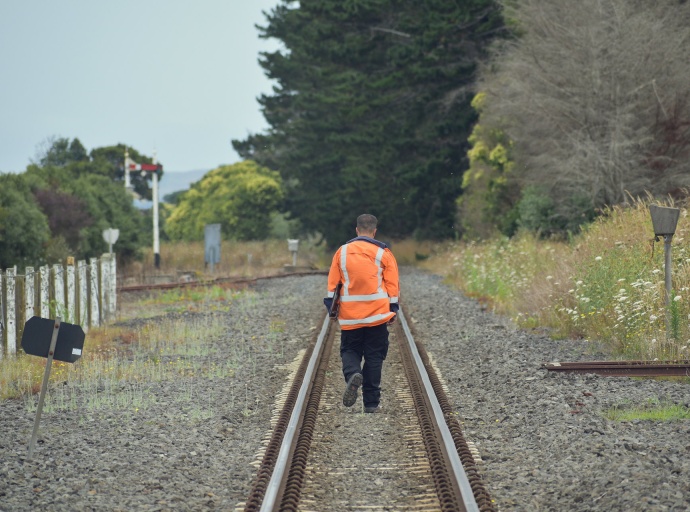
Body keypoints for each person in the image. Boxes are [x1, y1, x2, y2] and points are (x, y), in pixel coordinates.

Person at [323, 214, 400, 413]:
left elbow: (333, 284)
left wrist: (331, 308)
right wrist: (393, 309)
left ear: (357, 230)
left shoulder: (342, 252)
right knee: (375, 356)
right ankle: (371, 403)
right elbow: (392, 285)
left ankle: (353, 375)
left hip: (351, 316)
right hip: (377, 314)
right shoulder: (384, 253)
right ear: (374, 231)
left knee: (350, 350)